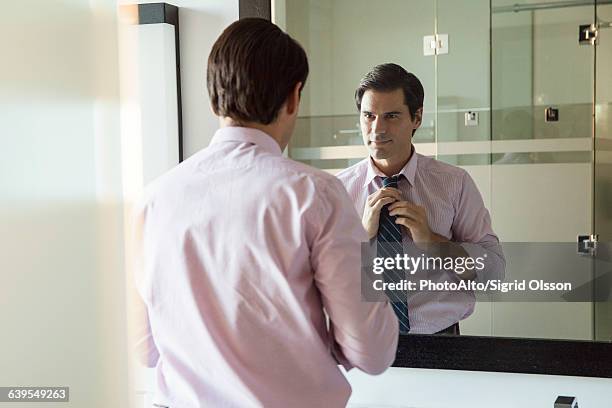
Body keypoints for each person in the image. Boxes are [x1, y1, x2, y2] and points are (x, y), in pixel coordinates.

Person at [130, 19, 399, 408]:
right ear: (293, 98)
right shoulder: (315, 194)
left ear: (213, 98)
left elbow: (144, 349)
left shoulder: (152, 201)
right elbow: (371, 351)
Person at [337, 63, 505, 335]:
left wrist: (435, 243)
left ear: (417, 118)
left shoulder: (454, 183)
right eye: (368, 116)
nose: (377, 129)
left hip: (440, 345)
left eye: (391, 116)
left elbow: (494, 271)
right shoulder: (336, 190)